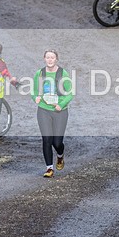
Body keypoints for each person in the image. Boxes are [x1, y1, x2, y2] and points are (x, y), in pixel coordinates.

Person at [32, 50, 74, 178]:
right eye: (48, 57)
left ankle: (60, 156)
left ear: (56, 59)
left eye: (52, 57)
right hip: (44, 110)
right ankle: (49, 168)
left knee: (57, 143)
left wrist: (60, 105)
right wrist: (36, 98)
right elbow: (34, 91)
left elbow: (70, 93)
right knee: (46, 139)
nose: (50, 60)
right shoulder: (39, 73)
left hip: (60, 111)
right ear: (44, 59)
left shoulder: (62, 73)